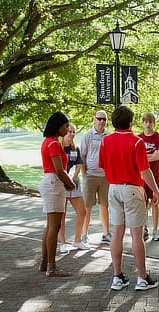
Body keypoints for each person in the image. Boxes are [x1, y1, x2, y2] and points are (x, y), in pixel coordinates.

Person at [99, 106, 159, 291]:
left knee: (117, 232)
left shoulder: (105, 141)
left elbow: (102, 166)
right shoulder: (137, 142)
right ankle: (142, 277)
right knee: (136, 234)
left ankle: (117, 276)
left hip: (114, 188)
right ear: (131, 122)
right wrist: (156, 191)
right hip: (132, 188)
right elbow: (145, 170)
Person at [38, 112, 75, 277]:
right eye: (66, 126)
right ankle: (51, 266)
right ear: (57, 125)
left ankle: (45, 262)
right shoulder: (53, 144)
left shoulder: (47, 142)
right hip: (53, 182)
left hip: (50, 182)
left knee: (50, 226)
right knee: (55, 226)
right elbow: (59, 170)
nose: (68, 130)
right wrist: (70, 183)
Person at [58, 124, 90, 253]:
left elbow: (78, 165)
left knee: (82, 212)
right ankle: (63, 242)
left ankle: (77, 240)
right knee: (62, 214)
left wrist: (72, 179)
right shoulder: (58, 147)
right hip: (61, 184)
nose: (71, 134)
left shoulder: (75, 148)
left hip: (74, 184)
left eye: (73, 132)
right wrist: (66, 180)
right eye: (69, 132)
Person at [80, 110, 111, 245]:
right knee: (87, 206)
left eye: (104, 119)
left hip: (105, 177)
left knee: (104, 205)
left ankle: (106, 233)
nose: (101, 122)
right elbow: (82, 155)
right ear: (94, 119)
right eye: (99, 119)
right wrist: (84, 173)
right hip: (90, 176)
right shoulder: (88, 135)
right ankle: (84, 235)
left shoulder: (109, 136)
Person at [138, 113, 159, 242]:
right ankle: (144, 229)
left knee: (155, 201)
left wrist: (145, 157)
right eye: (146, 122)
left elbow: (158, 156)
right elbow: (137, 158)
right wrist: (150, 156)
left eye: (150, 122)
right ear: (143, 123)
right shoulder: (138, 138)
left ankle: (155, 230)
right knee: (143, 202)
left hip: (155, 174)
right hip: (142, 175)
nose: (148, 124)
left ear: (154, 123)